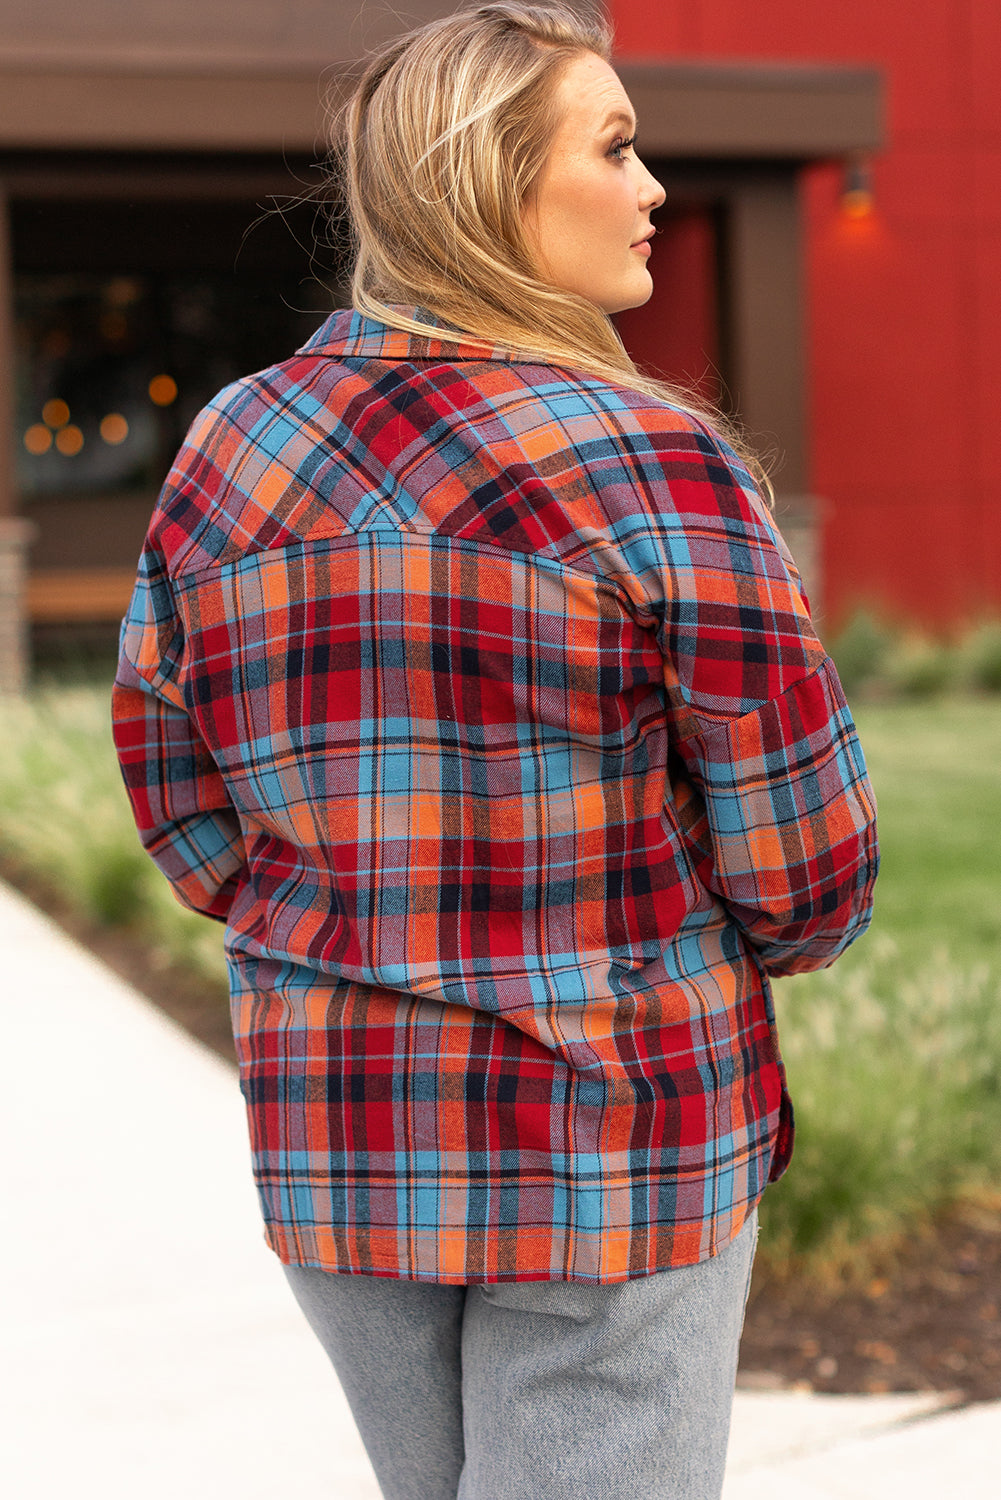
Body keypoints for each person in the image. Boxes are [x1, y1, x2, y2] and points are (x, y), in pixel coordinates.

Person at [111, 5, 878, 1497]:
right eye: (614, 143)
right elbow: (804, 861)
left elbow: (181, 807)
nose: (652, 184)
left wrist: (342, 931)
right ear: (483, 183)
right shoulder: (645, 455)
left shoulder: (231, 446)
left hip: (345, 1132)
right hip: (610, 1132)